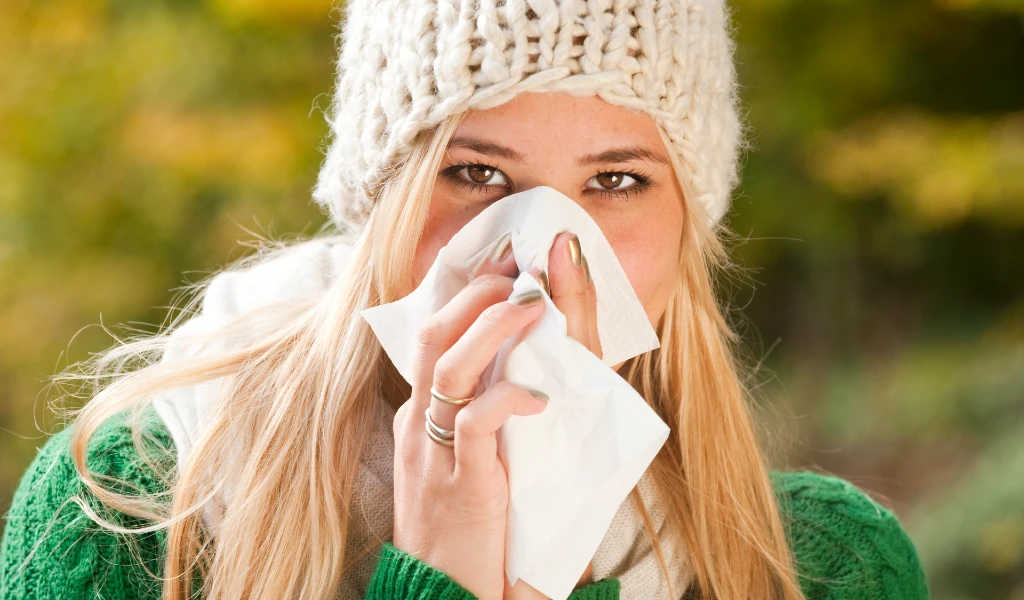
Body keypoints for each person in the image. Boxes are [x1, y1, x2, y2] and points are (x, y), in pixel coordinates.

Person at [0, 0, 930, 599]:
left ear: (690, 223)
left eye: (616, 181)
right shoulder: (123, 510)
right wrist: (445, 572)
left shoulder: (819, 568)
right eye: (476, 171)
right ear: (381, 203)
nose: (541, 254)